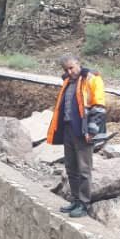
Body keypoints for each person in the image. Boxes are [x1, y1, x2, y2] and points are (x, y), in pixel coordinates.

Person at [45, 54, 106, 218]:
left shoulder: (92, 79)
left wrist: (92, 132)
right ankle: (76, 200)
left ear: (78, 64)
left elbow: (98, 106)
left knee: (84, 170)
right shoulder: (67, 82)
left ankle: (84, 205)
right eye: (66, 69)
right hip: (68, 130)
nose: (69, 71)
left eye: (71, 68)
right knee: (71, 168)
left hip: (83, 132)